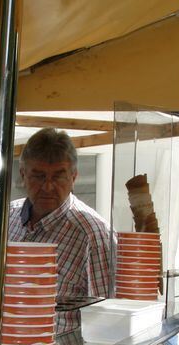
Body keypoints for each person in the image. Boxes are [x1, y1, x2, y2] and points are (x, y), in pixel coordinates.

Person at [8, 127, 115, 332]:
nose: (48, 186)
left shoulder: (94, 234)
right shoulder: (9, 218)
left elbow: (107, 319)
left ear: (73, 177)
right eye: (38, 176)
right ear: (23, 174)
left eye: (58, 176)